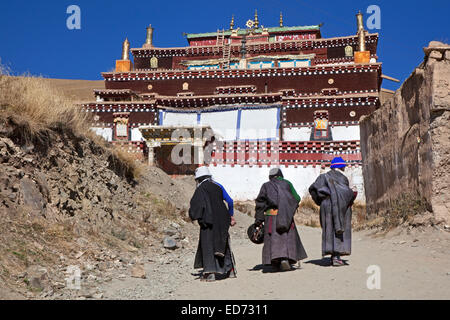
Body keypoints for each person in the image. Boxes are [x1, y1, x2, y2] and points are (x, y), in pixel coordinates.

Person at [254, 168, 308, 271]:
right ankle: (285, 259)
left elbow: (260, 203)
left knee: (273, 238)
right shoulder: (287, 183)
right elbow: (297, 198)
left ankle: (275, 261)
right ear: (280, 175)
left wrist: (259, 220)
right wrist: (289, 207)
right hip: (286, 215)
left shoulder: (266, 185)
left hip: (271, 216)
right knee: (286, 237)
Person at [189, 166, 237, 281]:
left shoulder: (200, 189)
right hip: (223, 219)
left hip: (208, 221)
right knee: (223, 243)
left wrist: (194, 216)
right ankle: (230, 271)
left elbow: (196, 206)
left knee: (208, 245)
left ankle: (210, 272)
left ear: (198, 179)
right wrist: (230, 215)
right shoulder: (218, 186)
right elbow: (230, 201)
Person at [308, 157, 357, 267]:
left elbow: (313, 189)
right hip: (342, 206)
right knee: (339, 229)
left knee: (329, 229)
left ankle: (333, 254)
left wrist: (320, 201)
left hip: (327, 206)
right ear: (341, 167)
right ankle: (336, 256)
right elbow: (351, 192)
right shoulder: (345, 178)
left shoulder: (323, 177)